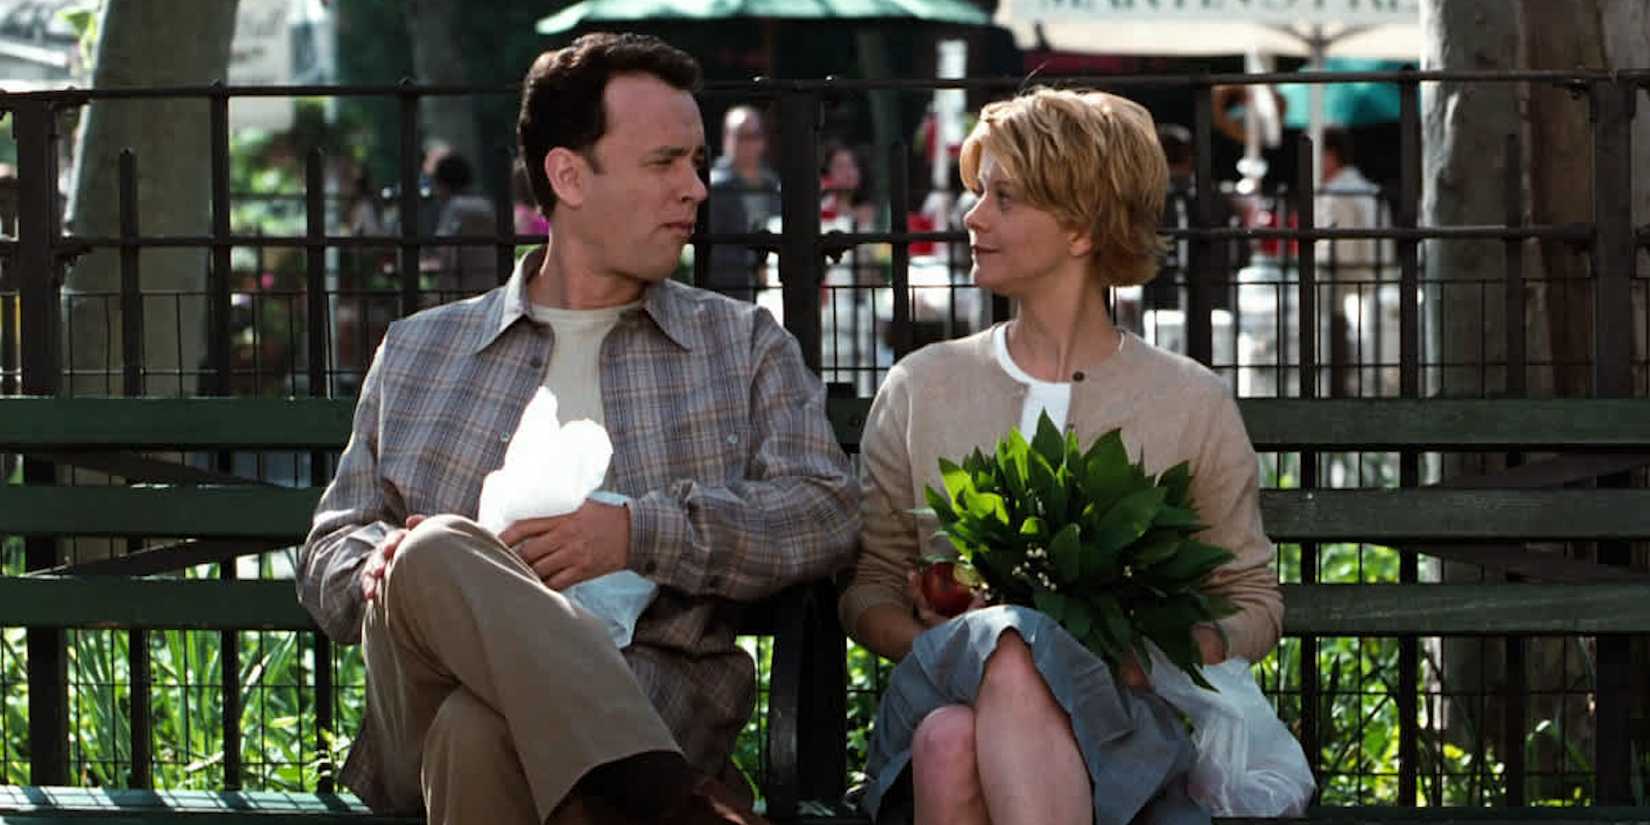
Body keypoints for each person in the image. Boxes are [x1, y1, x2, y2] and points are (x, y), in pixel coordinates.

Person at [297, 32, 860, 825]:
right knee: (426, 554)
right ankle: (672, 803)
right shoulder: (424, 350)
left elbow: (828, 511)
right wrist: (384, 571)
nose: (695, 189)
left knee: (477, 731)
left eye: (698, 162)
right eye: (664, 162)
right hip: (417, 709)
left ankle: (648, 785)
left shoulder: (737, 347)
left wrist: (638, 532)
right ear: (568, 175)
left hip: (651, 700)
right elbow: (328, 545)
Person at [840, 88, 1282, 825]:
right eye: (978, 192)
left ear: (1080, 229)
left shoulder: (1188, 401)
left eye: (1002, 197)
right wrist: (962, 645)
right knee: (1005, 649)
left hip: (1116, 727)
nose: (972, 216)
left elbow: (1256, 600)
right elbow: (869, 587)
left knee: (952, 743)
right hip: (936, 692)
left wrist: (1153, 655)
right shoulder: (923, 385)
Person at [1314, 127, 1389, 397]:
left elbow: (1338, 254)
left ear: (1330, 156)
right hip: (1373, 282)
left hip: (1346, 289)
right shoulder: (1366, 188)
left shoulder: (1337, 194)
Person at [705, 105, 780, 301]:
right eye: (741, 135)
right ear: (726, 138)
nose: (748, 143)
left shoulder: (772, 185)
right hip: (727, 291)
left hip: (770, 286)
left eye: (754, 135)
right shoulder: (715, 186)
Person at [420, 147, 501, 297]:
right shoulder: (486, 205)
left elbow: (444, 248)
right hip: (493, 282)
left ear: (442, 184)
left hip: (460, 286)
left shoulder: (454, 207)